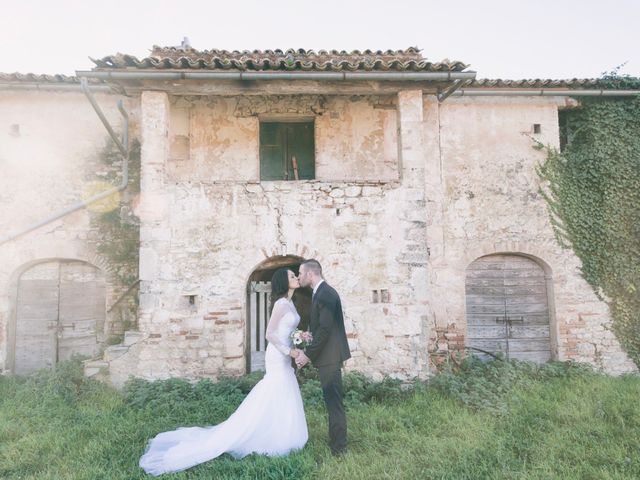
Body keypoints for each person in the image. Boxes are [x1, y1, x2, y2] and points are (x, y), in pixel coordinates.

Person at [139, 269, 308, 476]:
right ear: (284, 282)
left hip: (286, 352)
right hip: (277, 353)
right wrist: (289, 350)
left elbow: (287, 331)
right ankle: (261, 431)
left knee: (284, 387)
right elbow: (269, 333)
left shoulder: (290, 303)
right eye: (292, 276)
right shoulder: (281, 304)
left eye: (295, 275)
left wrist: (298, 337)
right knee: (275, 387)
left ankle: (283, 431)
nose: (296, 278)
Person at [294, 259, 351, 456]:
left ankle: (339, 448)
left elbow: (326, 329)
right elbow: (322, 327)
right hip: (328, 356)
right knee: (331, 400)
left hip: (330, 357)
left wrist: (307, 355)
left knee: (334, 402)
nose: (298, 277)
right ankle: (335, 442)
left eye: (300, 273)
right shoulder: (319, 292)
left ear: (310, 274)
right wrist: (310, 334)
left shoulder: (326, 293)